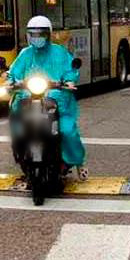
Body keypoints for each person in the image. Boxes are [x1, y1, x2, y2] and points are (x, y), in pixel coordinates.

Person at [6, 15, 87, 179]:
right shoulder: (25, 54)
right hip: (28, 99)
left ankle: (78, 161)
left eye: (40, 34)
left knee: (67, 131)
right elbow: (14, 72)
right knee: (17, 128)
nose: (37, 38)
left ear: (48, 34)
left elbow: (70, 71)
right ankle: (22, 155)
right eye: (33, 34)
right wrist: (9, 81)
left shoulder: (60, 52)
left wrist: (69, 81)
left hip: (55, 100)